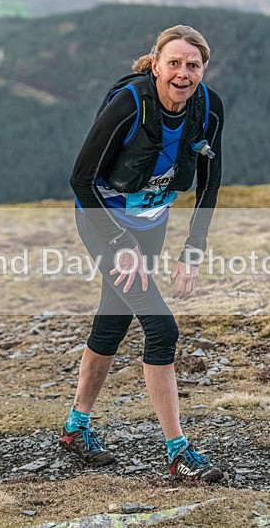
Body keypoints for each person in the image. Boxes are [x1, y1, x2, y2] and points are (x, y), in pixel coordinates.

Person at [62, 25, 224, 482]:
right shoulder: (128, 104)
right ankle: (178, 452)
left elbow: (210, 183)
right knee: (161, 327)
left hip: (152, 225)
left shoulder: (208, 109)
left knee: (112, 320)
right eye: (174, 63)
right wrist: (119, 244)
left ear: (203, 69)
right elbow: (80, 179)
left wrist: (194, 248)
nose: (183, 73)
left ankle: (76, 427)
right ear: (155, 64)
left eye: (193, 65)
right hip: (104, 223)